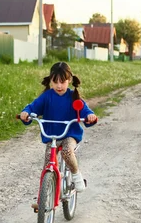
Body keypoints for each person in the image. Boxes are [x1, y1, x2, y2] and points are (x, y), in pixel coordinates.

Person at [20, 62, 97, 192]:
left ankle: (76, 176)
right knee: (48, 161)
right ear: (50, 81)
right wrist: (26, 113)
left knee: (67, 152)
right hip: (52, 135)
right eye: (55, 82)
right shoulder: (46, 96)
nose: (59, 86)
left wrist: (90, 116)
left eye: (63, 82)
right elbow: (33, 107)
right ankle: (46, 195)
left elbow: (86, 111)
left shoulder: (73, 97)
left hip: (69, 134)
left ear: (69, 80)